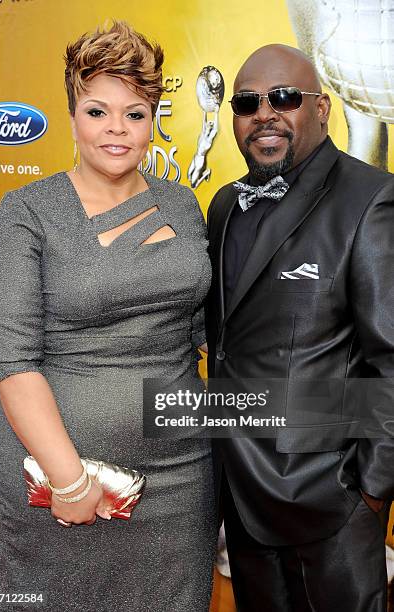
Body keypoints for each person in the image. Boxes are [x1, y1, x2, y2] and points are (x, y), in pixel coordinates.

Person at [0, 21, 216, 611]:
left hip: (180, 468)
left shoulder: (182, 202)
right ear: (71, 116)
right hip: (58, 469)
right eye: (97, 111)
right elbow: (11, 362)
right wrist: (70, 480)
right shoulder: (26, 212)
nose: (117, 130)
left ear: (153, 118)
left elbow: (199, 331)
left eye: (135, 114)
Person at [205, 44, 394, 612]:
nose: (265, 113)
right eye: (246, 102)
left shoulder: (370, 199)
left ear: (322, 109)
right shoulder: (223, 207)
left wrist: (370, 489)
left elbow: (389, 357)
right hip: (237, 493)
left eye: (284, 98)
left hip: (327, 499)